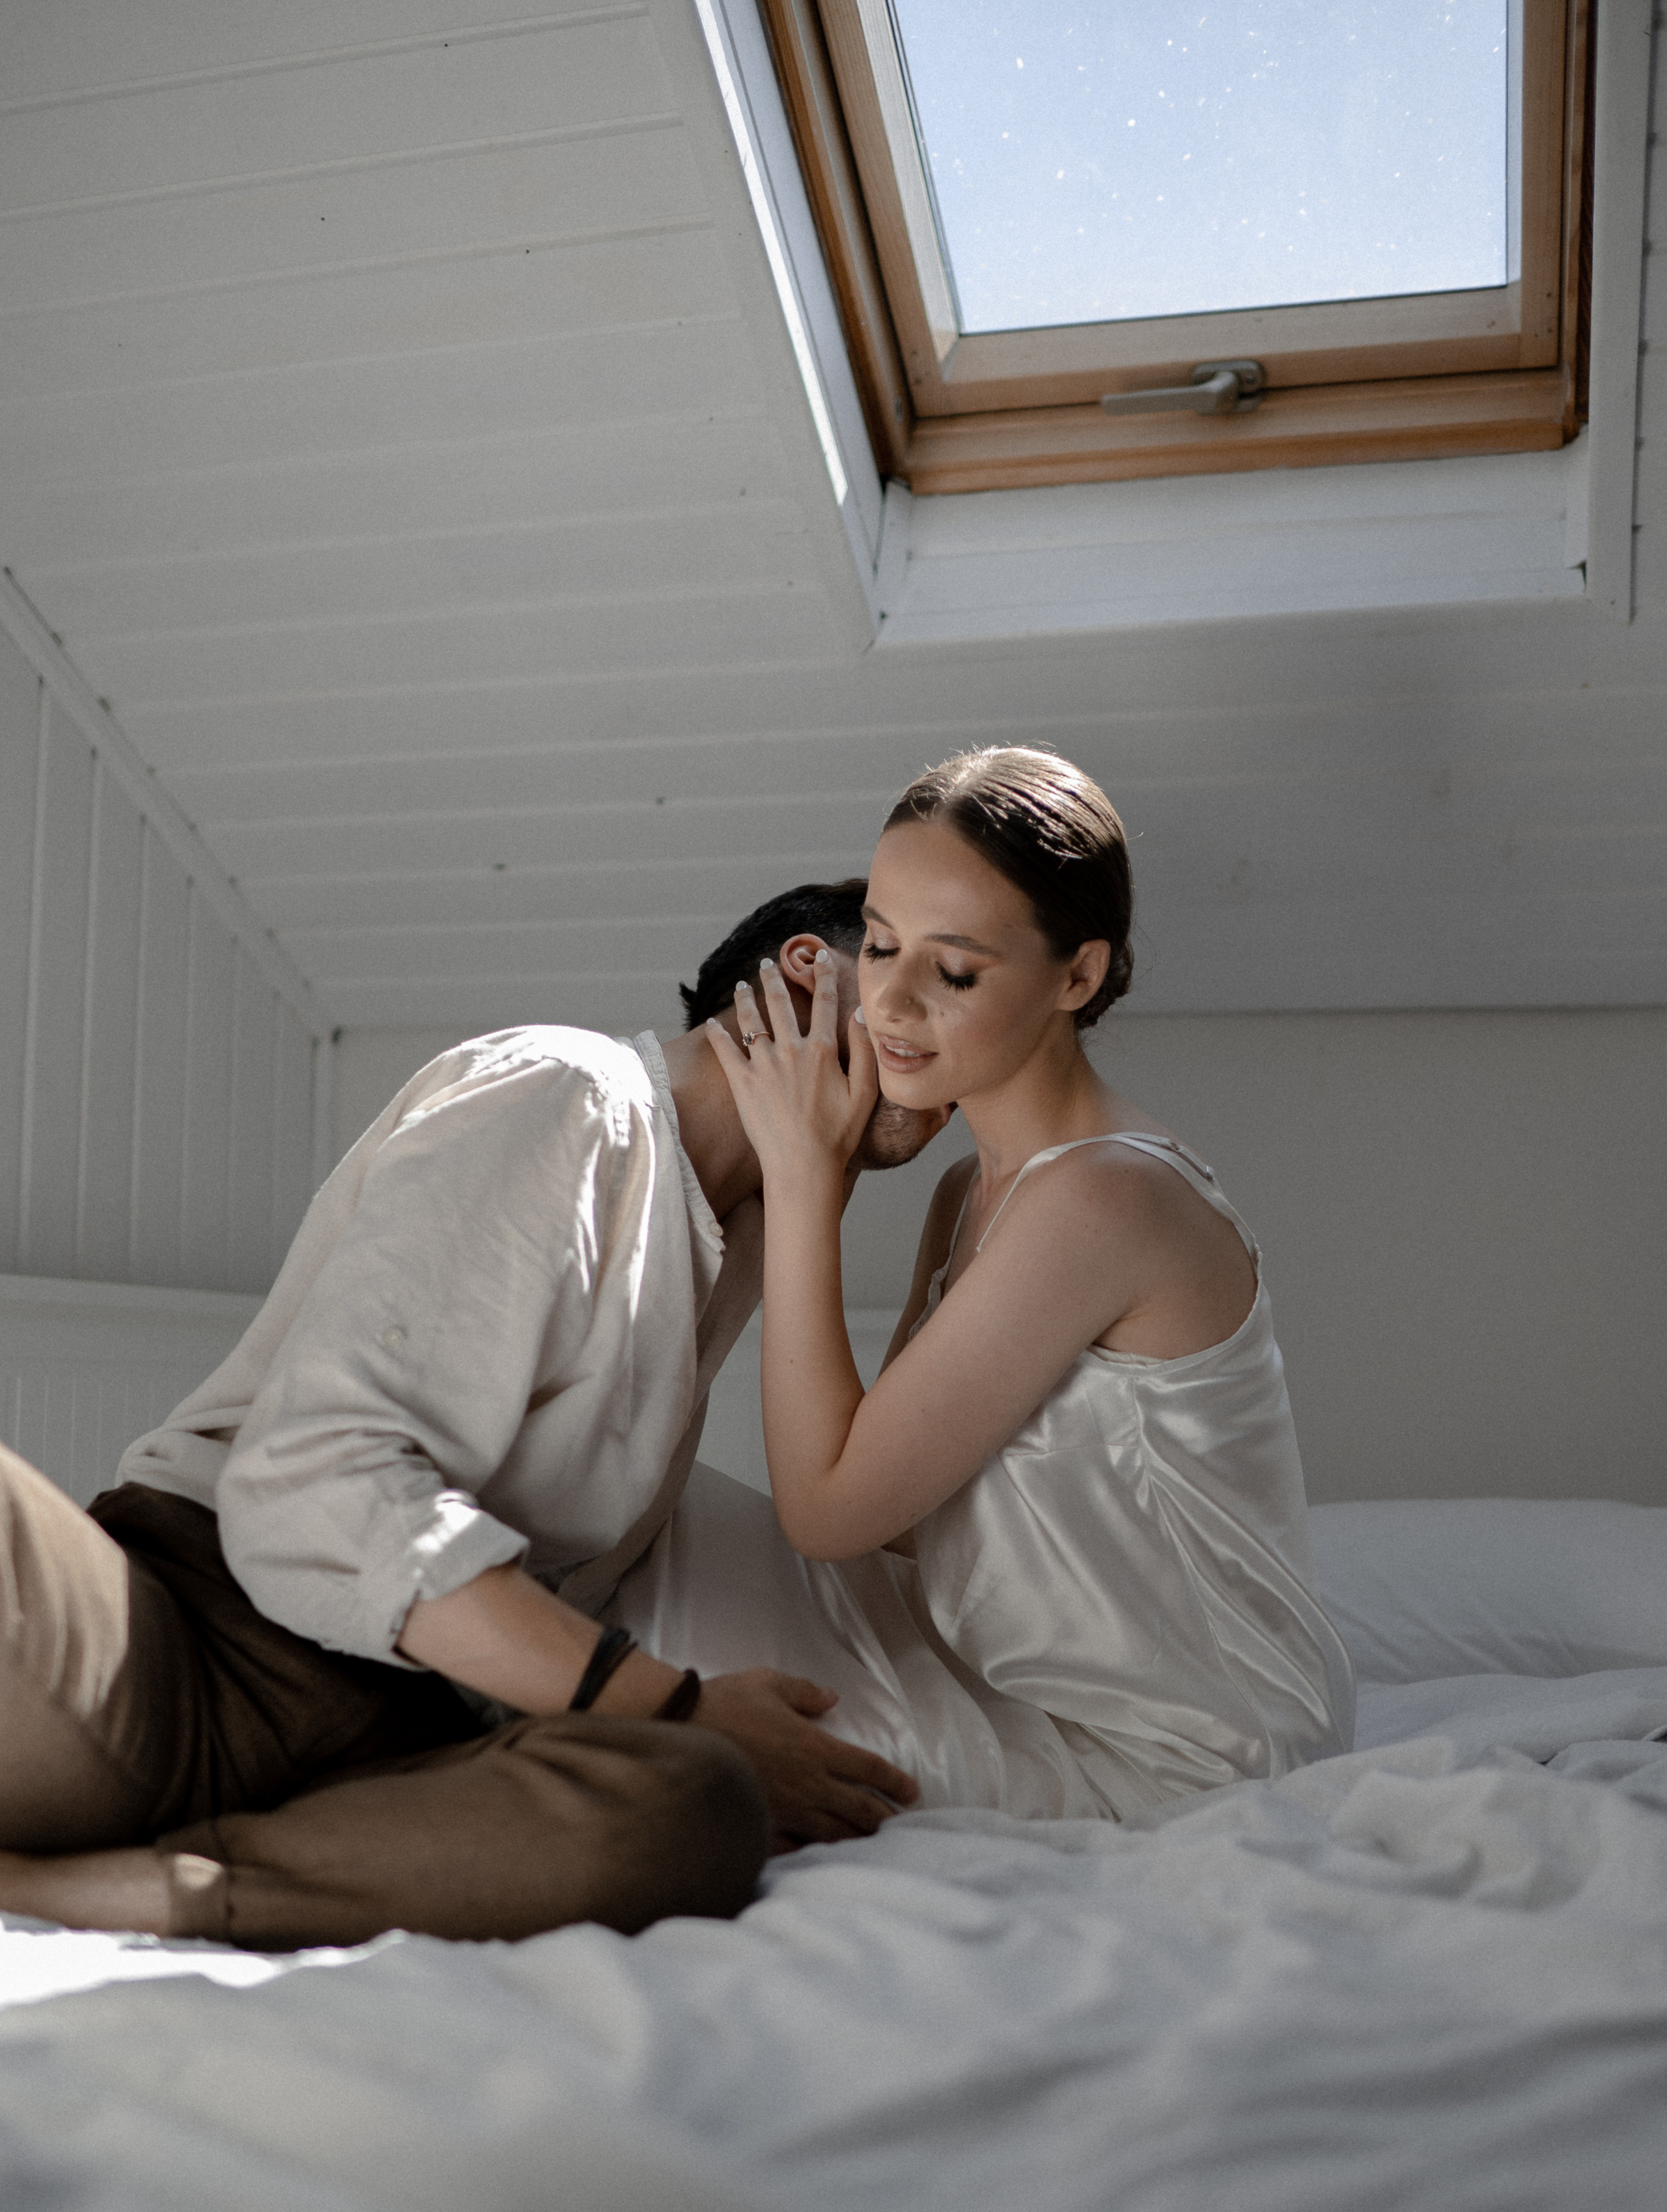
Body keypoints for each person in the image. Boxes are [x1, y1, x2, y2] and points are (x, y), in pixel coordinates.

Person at [0, 882, 945, 1952]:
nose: (955, 1065)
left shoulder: (742, 1236)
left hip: (399, 1759)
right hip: (177, 1648)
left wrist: (685, 1737)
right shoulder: (572, 1092)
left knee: (698, 1801)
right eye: (929, 981)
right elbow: (319, 1486)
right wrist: (673, 1702)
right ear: (812, 969)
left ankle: (110, 1891)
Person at [619, 748, 1352, 1822]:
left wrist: (805, 1178)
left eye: (954, 972)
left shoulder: (1103, 1199)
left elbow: (829, 1512)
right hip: (995, 1676)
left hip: (1174, 1754)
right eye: (881, 946)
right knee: (622, 1530)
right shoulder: (970, 1190)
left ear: (1077, 978)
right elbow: (901, 1526)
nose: (893, 1001)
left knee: (648, 1664)